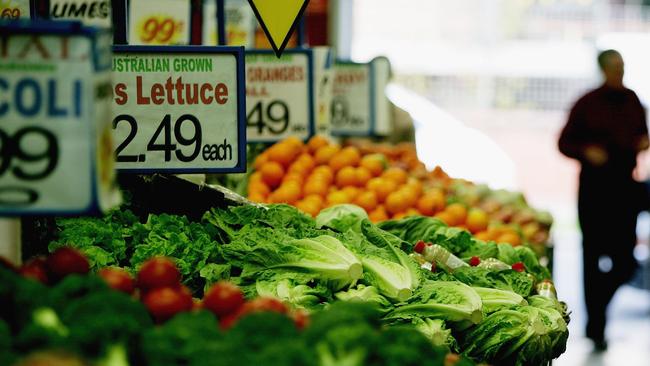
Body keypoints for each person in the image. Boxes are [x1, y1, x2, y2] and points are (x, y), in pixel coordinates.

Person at [558, 49, 649, 351]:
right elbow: (564, 142)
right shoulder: (587, 103)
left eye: (622, 66)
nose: (619, 72)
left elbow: (642, 135)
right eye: (614, 67)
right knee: (592, 258)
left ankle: (598, 306)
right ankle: (596, 326)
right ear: (602, 69)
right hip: (595, 192)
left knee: (625, 262)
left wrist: (642, 142)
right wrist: (587, 151)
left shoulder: (634, 100)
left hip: (625, 190)